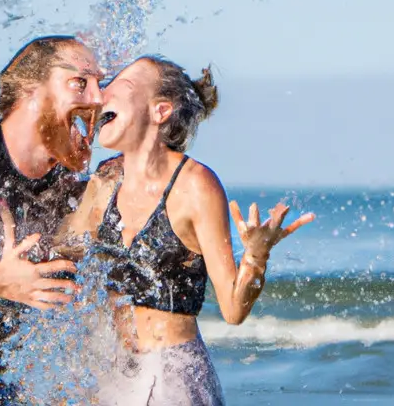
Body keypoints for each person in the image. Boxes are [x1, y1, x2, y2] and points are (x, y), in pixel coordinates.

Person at [59, 55, 315, 404]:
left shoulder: (196, 186)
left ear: (160, 111)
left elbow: (233, 310)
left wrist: (257, 255)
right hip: (112, 373)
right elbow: (61, 257)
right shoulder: (106, 179)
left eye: (123, 84)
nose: (103, 93)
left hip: (174, 377)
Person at [0, 35, 103, 403]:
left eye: (100, 84)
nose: (97, 98)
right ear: (30, 90)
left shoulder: (75, 190)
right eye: (80, 82)